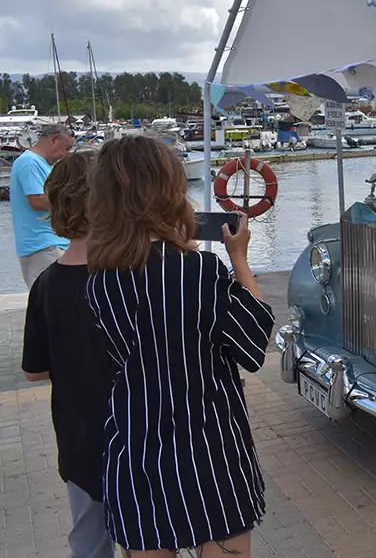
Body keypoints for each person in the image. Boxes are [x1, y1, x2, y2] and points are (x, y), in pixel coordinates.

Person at [85, 135, 275, 557]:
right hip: (211, 448)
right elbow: (254, 344)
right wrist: (239, 259)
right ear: (168, 191)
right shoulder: (200, 271)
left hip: (136, 447)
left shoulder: (99, 281)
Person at [21, 151, 114, 558]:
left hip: (77, 438)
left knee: (88, 540)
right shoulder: (131, 279)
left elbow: (35, 372)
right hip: (138, 436)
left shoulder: (44, 285)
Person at [10, 124, 75, 286]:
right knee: (53, 301)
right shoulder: (29, 162)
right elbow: (37, 201)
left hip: (53, 243)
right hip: (42, 246)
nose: (65, 155)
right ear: (53, 139)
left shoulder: (44, 164)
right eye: (66, 148)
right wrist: (74, 200)